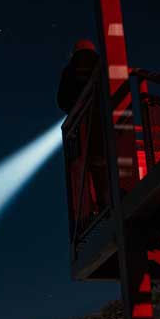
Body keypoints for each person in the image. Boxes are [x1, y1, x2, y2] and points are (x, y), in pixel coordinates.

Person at [56, 39, 110, 212]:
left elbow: (62, 100)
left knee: (92, 164)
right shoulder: (103, 65)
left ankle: (102, 204)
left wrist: (76, 109)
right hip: (107, 123)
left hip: (83, 127)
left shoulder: (69, 71)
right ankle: (114, 196)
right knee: (109, 160)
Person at [56, 39, 100, 113]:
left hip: (81, 116)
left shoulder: (69, 70)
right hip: (103, 110)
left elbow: (62, 100)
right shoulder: (101, 65)